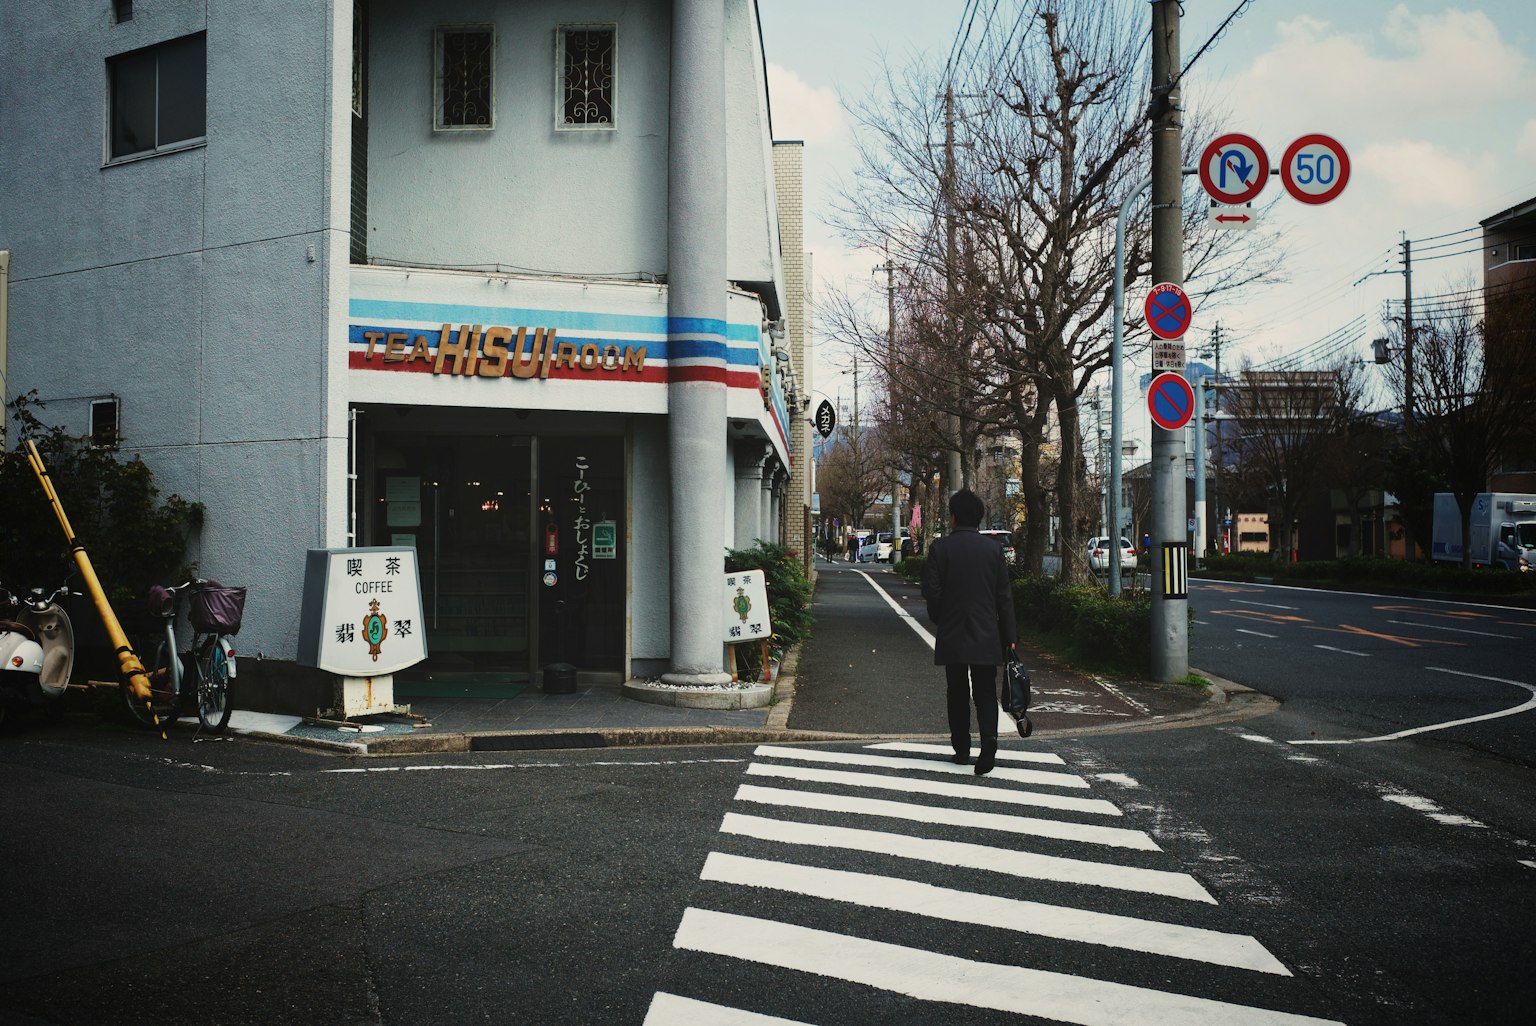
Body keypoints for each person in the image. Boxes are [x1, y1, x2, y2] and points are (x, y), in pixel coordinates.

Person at [921, 489, 1017, 776]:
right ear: (978, 518)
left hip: (952, 630)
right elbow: (1004, 597)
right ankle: (989, 740)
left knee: (958, 690)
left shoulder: (941, 549)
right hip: (987, 631)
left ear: (952, 517)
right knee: (985, 690)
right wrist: (1010, 636)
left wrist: (941, 618)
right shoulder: (993, 550)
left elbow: (932, 592)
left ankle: (961, 748)